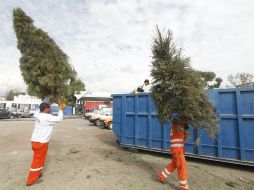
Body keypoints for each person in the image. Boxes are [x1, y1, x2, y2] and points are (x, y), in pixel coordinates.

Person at [26, 102, 65, 186]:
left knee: (40, 159)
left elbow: (38, 108)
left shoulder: (37, 114)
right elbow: (59, 119)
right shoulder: (47, 117)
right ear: (46, 109)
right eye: (49, 107)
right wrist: (61, 110)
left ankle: (37, 174)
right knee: (37, 161)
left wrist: (46, 101)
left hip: (35, 141)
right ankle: (31, 181)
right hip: (41, 142)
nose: (50, 109)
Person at [157, 120, 189, 190]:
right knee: (182, 168)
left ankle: (161, 176)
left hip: (177, 151)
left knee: (173, 165)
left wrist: (186, 132)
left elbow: (183, 137)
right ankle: (183, 187)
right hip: (178, 151)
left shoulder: (178, 127)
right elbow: (180, 133)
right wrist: (185, 126)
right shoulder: (176, 127)